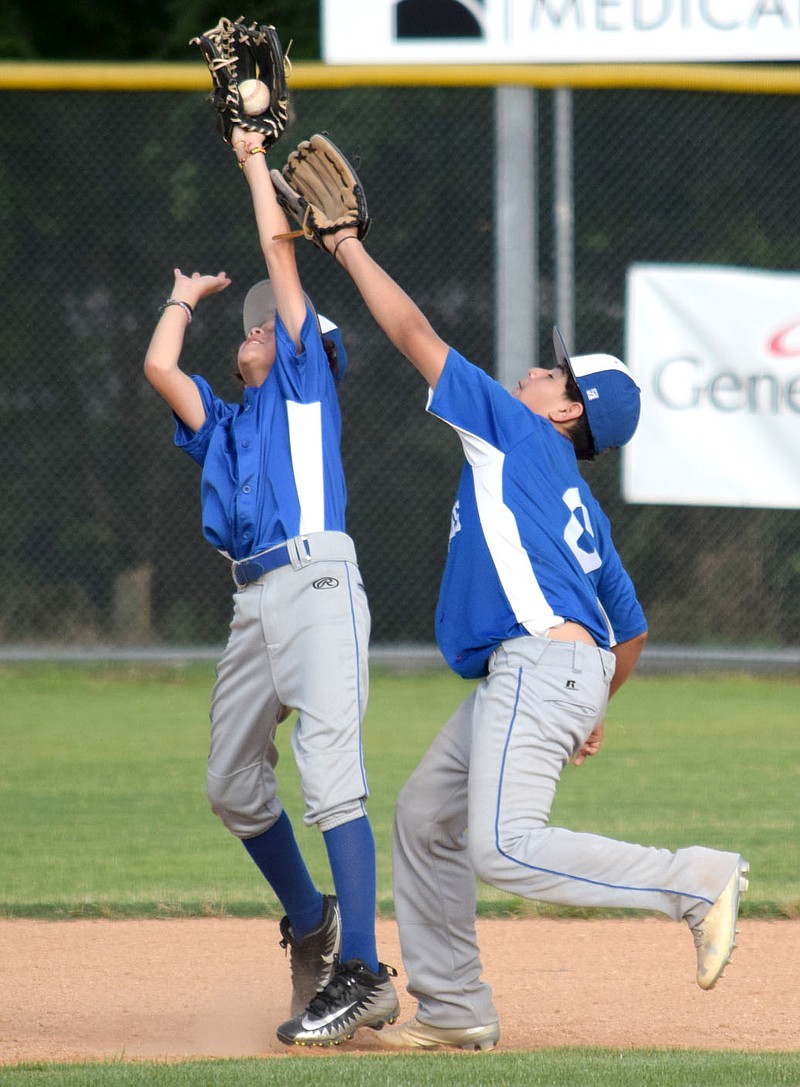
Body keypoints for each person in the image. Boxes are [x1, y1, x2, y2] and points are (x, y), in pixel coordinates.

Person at [312, 218, 749, 1052]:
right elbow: (632, 629)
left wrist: (345, 247)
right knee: (425, 818)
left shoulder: (514, 433)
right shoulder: (577, 502)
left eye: (555, 372)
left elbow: (412, 332)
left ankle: (695, 880)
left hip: (537, 664)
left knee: (506, 844)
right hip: (549, 668)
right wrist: (594, 704)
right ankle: (455, 1006)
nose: (537, 370)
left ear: (568, 411)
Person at [142, 126, 399, 1048]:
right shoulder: (228, 421)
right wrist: (179, 299)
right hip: (253, 603)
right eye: (251, 323)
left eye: (271, 322)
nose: (255, 325)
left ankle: (363, 968)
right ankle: (314, 917)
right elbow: (161, 369)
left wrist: (254, 158)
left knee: (331, 776)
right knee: (230, 783)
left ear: (305, 351)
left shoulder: (302, 388)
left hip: (319, 581)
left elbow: (276, 251)